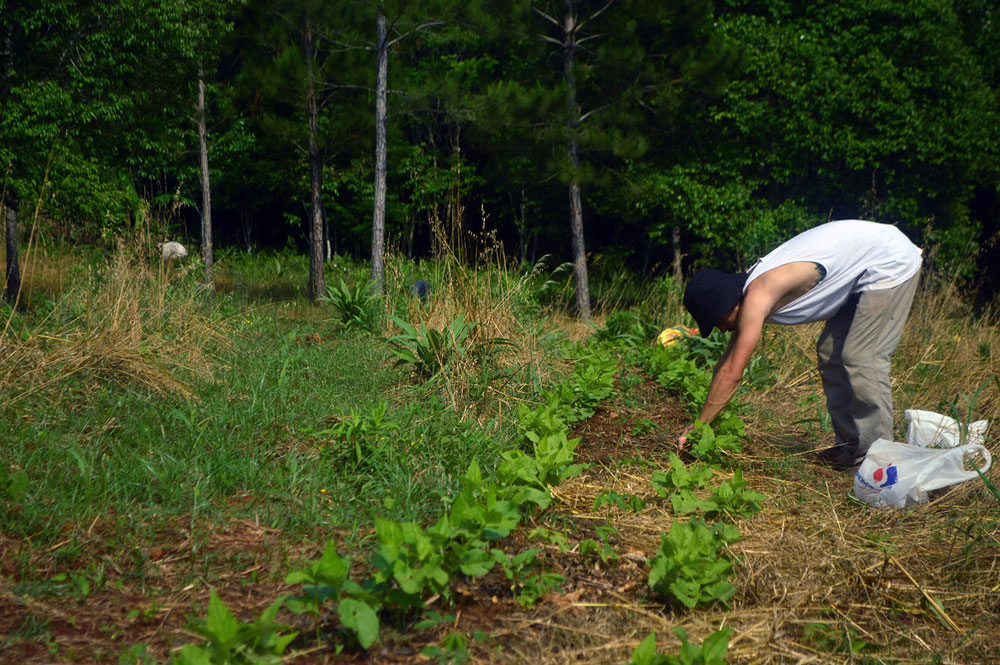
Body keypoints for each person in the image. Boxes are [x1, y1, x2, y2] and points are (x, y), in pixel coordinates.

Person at [676, 219, 922, 469]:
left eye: (717, 321)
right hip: (863, 265)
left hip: (889, 260)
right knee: (830, 352)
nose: (721, 329)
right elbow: (725, 365)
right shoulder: (749, 291)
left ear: (730, 305)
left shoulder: (759, 294)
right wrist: (701, 422)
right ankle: (851, 446)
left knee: (862, 357)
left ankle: (879, 460)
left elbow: (732, 373)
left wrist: (700, 426)